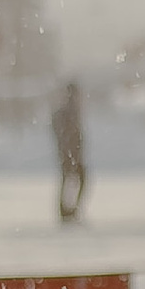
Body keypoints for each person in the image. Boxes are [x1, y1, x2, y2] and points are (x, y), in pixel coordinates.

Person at [51, 77, 88, 224]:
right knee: (71, 180)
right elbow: (66, 133)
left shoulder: (68, 110)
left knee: (70, 180)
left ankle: (68, 209)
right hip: (70, 153)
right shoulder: (67, 111)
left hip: (71, 153)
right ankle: (67, 210)